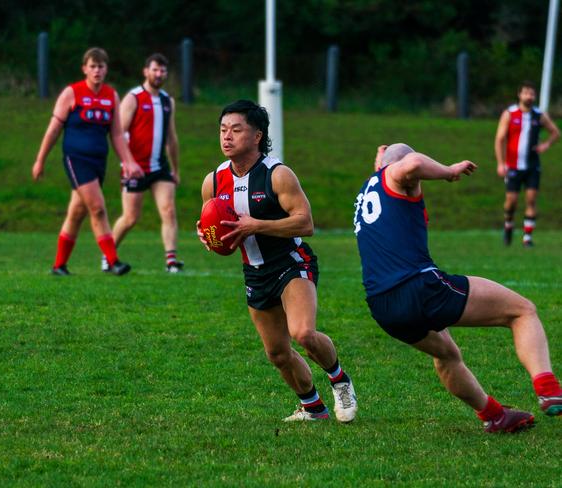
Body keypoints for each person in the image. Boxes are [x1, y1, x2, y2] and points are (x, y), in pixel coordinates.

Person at [354, 142, 562, 433]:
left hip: (383, 306)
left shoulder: (367, 192)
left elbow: (391, 169)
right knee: (522, 311)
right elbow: (411, 163)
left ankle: (494, 415)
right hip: (419, 287)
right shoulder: (400, 174)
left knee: (446, 355)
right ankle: (548, 387)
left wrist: (382, 163)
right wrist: (449, 171)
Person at [196, 100, 357, 422]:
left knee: (304, 333)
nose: (226, 137)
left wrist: (257, 225)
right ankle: (313, 408)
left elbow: (305, 223)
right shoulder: (213, 181)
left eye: (236, 130)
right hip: (255, 271)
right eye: (223, 130)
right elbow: (209, 221)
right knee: (277, 353)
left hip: (291, 262)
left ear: (257, 136)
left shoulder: (277, 175)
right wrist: (206, 234)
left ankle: (340, 380)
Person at [32, 47, 143, 276]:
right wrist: (40, 160)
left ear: (106, 69)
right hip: (76, 159)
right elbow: (54, 130)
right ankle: (113, 261)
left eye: (101, 66)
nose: (97, 71)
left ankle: (59, 266)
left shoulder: (111, 96)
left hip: (98, 162)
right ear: (84, 68)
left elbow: (116, 135)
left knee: (76, 213)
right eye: (92, 66)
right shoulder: (72, 93)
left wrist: (129, 162)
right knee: (98, 208)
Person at [106, 53, 183, 273]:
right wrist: (128, 163)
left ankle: (171, 261)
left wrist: (175, 169)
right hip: (135, 168)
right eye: (155, 70)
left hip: (160, 167)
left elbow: (171, 137)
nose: (159, 74)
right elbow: (118, 134)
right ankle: (108, 255)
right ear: (145, 71)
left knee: (168, 210)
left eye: (163, 71)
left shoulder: (168, 101)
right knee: (130, 218)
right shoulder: (133, 98)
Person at [494, 81, 560, 247]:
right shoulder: (510, 114)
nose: (529, 96)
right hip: (513, 165)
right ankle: (508, 224)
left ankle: (527, 238)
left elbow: (555, 132)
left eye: (532, 94)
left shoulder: (539, 115)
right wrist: (501, 163)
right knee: (511, 201)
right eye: (526, 93)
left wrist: (546, 145)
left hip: (532, 166)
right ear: (520, 94)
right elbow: (500, 139)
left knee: (531, 200)